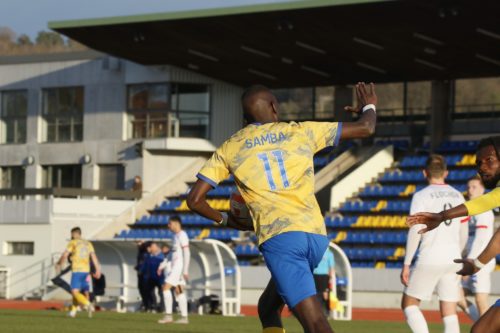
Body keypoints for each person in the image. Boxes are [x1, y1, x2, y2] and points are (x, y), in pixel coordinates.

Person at [187, 82, 377, 333]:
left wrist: (226, 219)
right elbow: (366, 127)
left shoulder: (231, 147)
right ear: (274, 107)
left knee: (316, 323)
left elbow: (195, 200)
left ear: (245, 117)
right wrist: (369, 106)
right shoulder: (301, 131)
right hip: (315, 237)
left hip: (281, 239)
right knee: (268, 306)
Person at [407, 136, 500, 333]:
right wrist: (442, 216)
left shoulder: (421, 195)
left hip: (430, 257)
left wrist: (477, 263)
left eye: (489, 160)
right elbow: (482, 203)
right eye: (478, 163)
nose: (482, 167)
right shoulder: (478, 194)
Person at [400, 154, 468, 333]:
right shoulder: (458, 195)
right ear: (446, 172)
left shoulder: (421, 196)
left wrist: (407, 263)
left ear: (425, 173)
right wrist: (458, 255)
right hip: (453, 258)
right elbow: (464, 232)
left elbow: (415, 230)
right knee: (449, 310)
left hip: (430, 255)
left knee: (409, 304)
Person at [458, 176, 495, 322]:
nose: (469, 190)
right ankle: (482, 326)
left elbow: (480, 239)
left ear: (482, 189)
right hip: (471, 259)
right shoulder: (472, 209)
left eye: (474, 187)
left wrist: (470, 262)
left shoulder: (484, 210)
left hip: (480, 261)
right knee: (456, 295)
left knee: (481, 299)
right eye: (468, 187)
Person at [55, 227, 101, 318]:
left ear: (74, 234)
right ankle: (73, 312)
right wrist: (98, 270)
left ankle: (88, 304)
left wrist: (59, 263)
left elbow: (65, 255)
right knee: (78, 291)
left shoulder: (73, 242)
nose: (71, 236)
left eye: (71, 234)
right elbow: (94, 257)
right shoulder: (88, 243)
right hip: (86, 271)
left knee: (74, 291)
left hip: (77, 270)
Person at [158, 216, 191, 324]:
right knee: (179, 291)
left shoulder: (182, 235)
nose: (168, 226)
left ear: (176, 223)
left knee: (165, 288)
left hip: (178, 267)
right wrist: (163, 264)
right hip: (176, 266)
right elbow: (172, 253)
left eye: (170, 223)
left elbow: (187, 253)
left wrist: (185, 270)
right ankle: (184, 318)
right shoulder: (174, 236)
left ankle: (168, 316)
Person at [142, 242, 165, 312]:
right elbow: (145, 266)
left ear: (157, 247)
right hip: (151, 277)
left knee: (161, 293)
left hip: (160, 278)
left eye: (152, 247)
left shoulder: (162, 256)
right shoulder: (148, 256)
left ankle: (162, 308)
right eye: (151, 247)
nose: (151, 248)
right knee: (151, 293)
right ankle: (153, 306)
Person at [313, 247, 336, 315]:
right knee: (315, 293)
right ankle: (317, 311)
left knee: (325, 293)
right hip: (315, 274)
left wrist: (330, 277)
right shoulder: (317, 252)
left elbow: (331, 267)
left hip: (324, 275)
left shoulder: (329, 254)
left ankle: (326, 310)